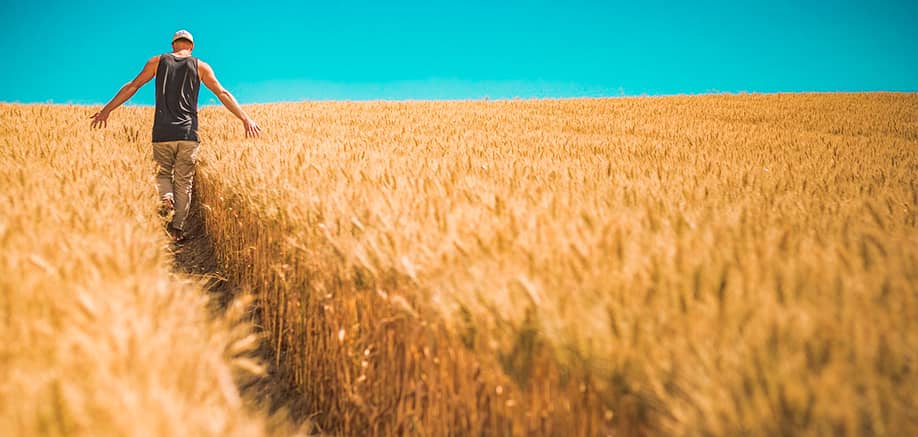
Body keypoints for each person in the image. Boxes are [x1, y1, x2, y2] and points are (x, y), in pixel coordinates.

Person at [90, 29, 260, 242]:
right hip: (188, 133)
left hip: (162, 132)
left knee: (162, 175)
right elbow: (222, 93)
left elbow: (132, 86)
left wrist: (107, 109)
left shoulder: (157, 61)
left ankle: (166, 197)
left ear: (173, 45)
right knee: (184, 182)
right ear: (191, 47)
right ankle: (177, 229)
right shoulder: (201, 66)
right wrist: (245, 119)